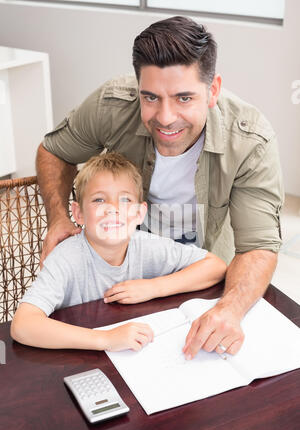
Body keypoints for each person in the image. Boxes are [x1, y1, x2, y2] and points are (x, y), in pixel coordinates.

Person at [35, 16, 283, 358]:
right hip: (122, 282)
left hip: (200, 281)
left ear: (213, 90)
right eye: (150, 97)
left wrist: (231, 308)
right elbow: (54, 151)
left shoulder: (250, 140)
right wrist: (58, 217)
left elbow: (258, 247)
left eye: (184, 98)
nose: (165, 117)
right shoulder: (111, 106)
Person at [11, 152, 226, 353]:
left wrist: (154, 287)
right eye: (99, 200)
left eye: (125, 200)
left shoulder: (146, 245)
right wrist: (106, 339)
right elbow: (23, 325)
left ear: (140, 213)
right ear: (79, 213)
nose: (113, 209)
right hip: (82, 354)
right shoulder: (66, 258)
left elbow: (215, 266)